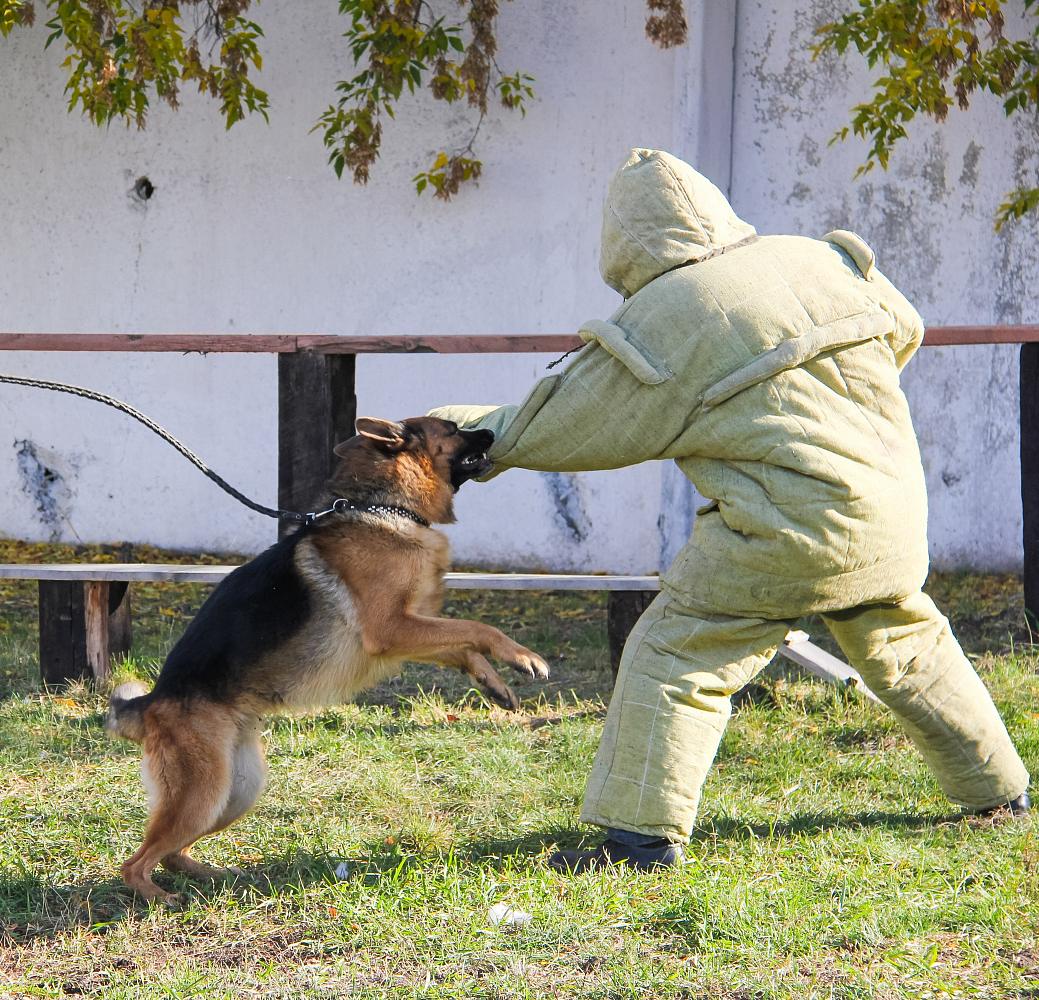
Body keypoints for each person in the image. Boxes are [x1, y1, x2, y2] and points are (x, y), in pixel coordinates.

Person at [430, 148, 1031, 872]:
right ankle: (1000, 793)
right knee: (909, 642)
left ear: (625, 246)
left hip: (784, 529)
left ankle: (639, 840)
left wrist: (446, 433)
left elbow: (567, 420)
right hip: (890, 510)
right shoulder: (818, 259)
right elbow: (904, 328)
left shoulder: (676, 313)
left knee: (678, 653)